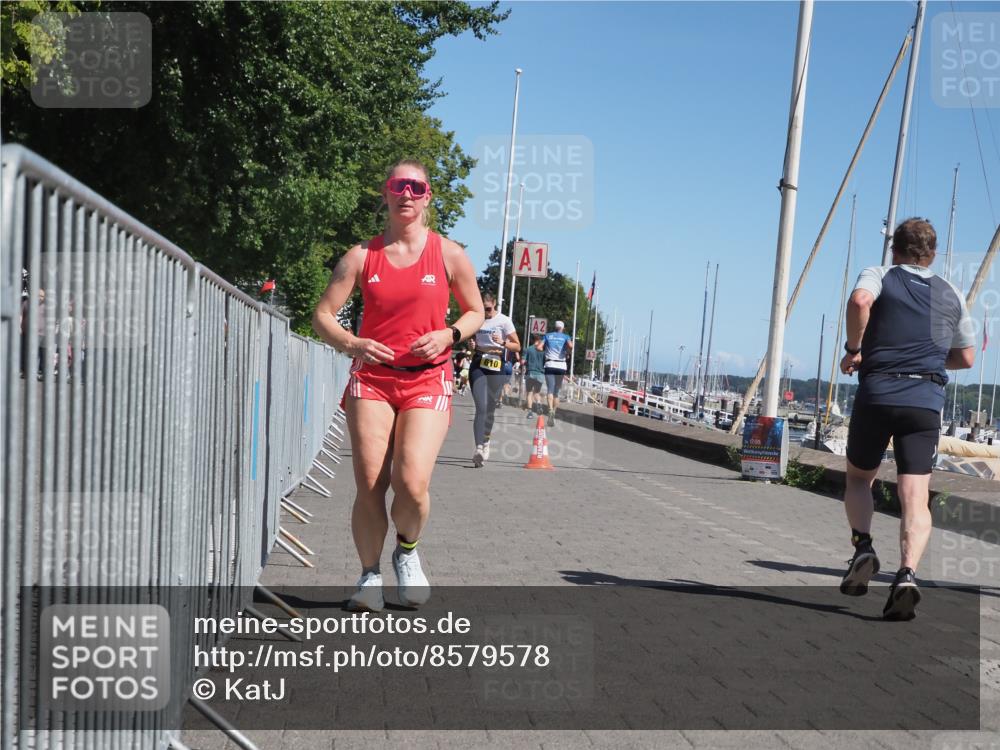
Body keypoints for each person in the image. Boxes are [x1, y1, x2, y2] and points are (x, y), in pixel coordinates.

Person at [312, 159, 484, 612]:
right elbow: (322, 315)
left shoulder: (449, 254)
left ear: (428, 196)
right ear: (385, 194)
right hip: (372, 381)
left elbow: (475, 312)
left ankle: (407, 553)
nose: (406, 194)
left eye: (416, 187)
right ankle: (369, 576)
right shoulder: (361, 256)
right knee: (370, 483)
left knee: (410, 481)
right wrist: (353, 342)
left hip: (428, 379)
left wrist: (449, 334)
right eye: (397, 186)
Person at [837, 218, 975, 621]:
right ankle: (907, 574)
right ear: (932, 255)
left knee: (859, 478)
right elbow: (966, 358)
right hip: (925, 401)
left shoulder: (880, 274)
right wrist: (929, 359)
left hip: (879, 390)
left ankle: (863, 547)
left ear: (894, 249)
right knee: (915, 496)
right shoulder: (951, 293)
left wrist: (854, 347)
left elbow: (860, 302)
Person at [469, 292, 520, 467]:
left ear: (495, 304)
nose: (487, 312)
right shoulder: (476, 318)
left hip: (496, 364)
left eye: (489, 309)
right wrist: (472, 344)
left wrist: (503, 342)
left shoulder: (504, 321)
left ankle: (486, 440)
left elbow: (517, 345)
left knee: (490, 408)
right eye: (484, 309)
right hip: (479, 363)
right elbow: (471, 336)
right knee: (481, 407)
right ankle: (478, 448)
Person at [542, 320, 573, 424]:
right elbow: (571, 346)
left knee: (550, 390)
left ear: (554, 327)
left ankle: (550, 410)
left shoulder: (547, 336)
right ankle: (554, 412)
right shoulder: (566, 337)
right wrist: (568, 351)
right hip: (561, 366)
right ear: (562, 328)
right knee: (556, 392)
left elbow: (539, 346)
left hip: (550, 364)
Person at [524, 334, 545, 417]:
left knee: (529, 393)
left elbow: (522, 361)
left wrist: (526, 362)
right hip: (540, 374)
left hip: (530, 373)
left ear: (532, 340)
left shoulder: (528, 349)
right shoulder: (543, 350)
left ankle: (530, 413)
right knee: (537, 392)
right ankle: (539, 403)